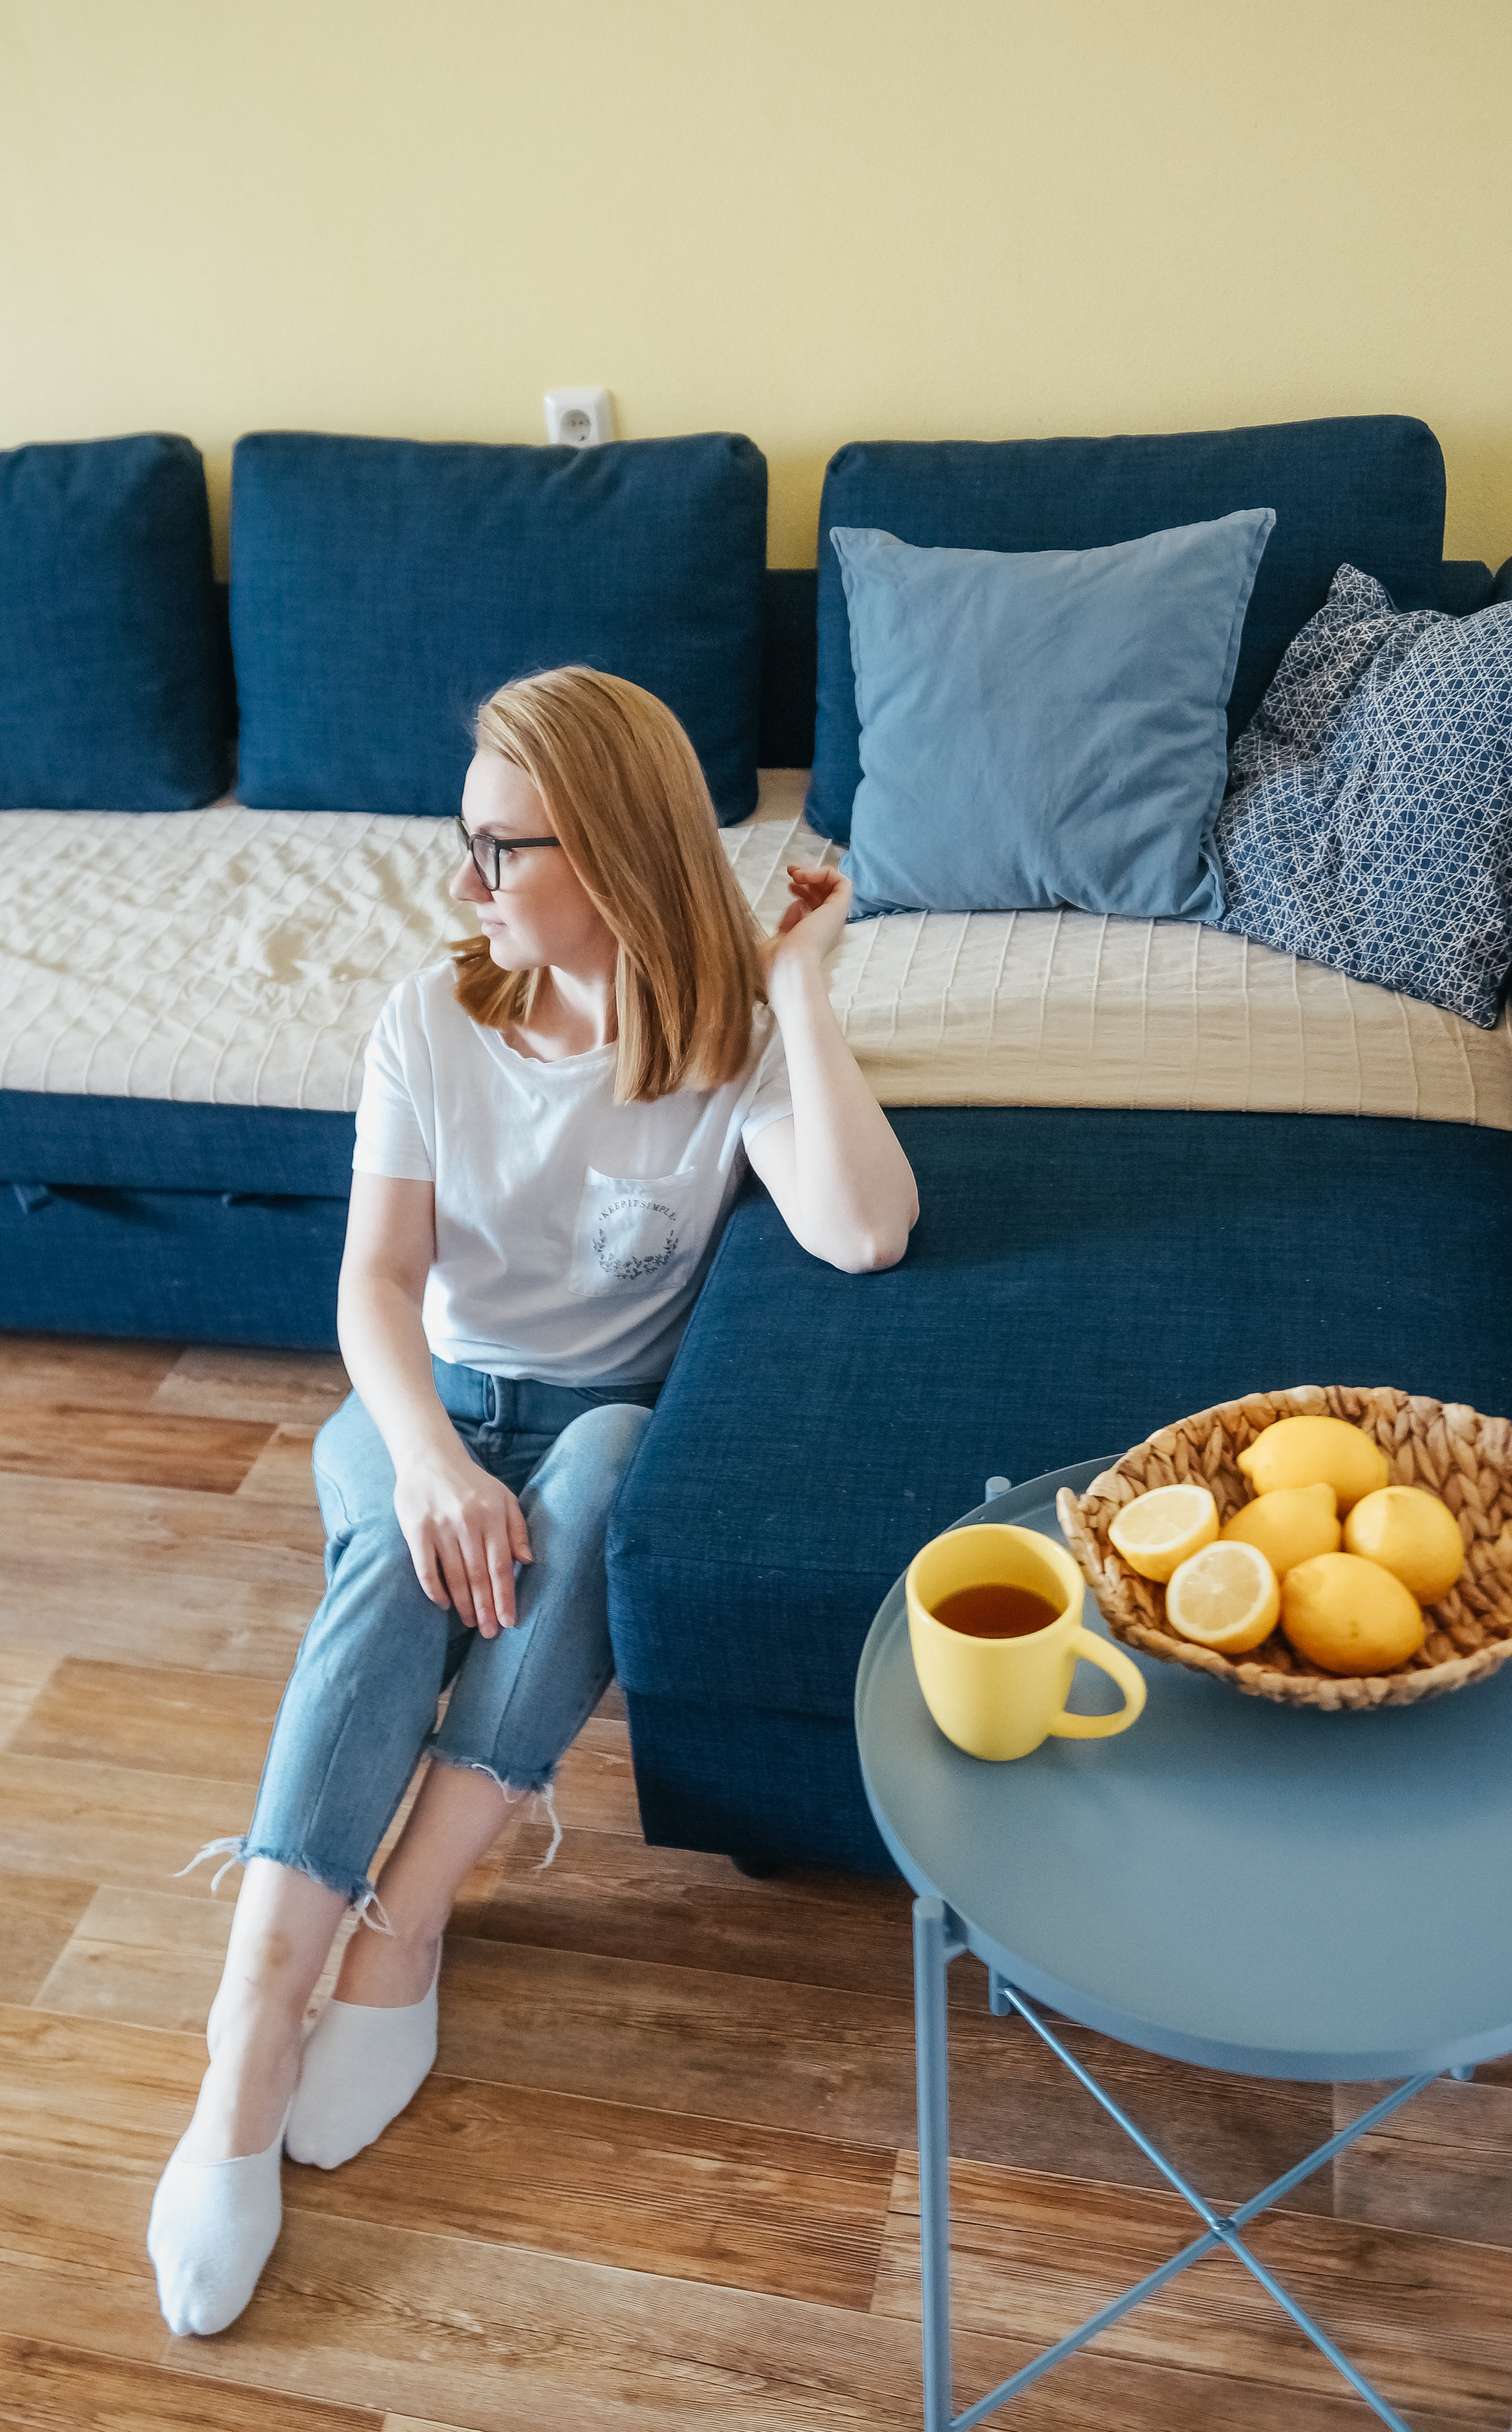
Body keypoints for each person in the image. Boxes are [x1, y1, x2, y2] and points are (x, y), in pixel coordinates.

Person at [146, 666, 918, 2336]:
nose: (465, 883)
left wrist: (798, 987)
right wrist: (425, 1459)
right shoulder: (434, 1016)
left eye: (499, 849)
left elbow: (862, 1230)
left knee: (602, 1478)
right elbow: (373, 1287)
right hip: (424, 1401)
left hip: (592, 1416)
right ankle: (249, 2038)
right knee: (392, 1555)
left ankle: (403, 1930)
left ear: (621, 845)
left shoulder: (722, 1038)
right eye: (467, 842)